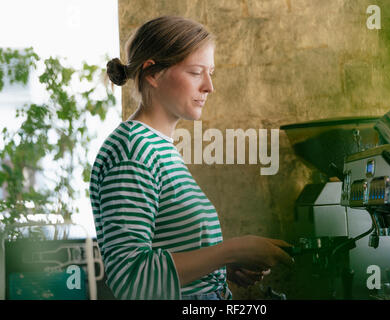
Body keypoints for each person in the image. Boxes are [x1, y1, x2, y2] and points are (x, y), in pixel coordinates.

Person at [89, 16, 293, 300]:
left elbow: (168, 249)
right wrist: (233, 249)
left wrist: (221, 267)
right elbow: (132, 281)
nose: (209, 86)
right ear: (152, 73)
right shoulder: (132, 151)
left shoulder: (158, 147)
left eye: (210, 73)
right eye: (197, 72)